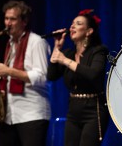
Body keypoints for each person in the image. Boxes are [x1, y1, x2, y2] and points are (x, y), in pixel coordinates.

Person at [0, 0, 51, 146]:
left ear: (24, 21)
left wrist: (8, 71)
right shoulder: (10, 44)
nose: (8, 23)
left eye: (13, 19)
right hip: (9, 115)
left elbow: (42, 77)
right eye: (6, 18)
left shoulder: (36, 42)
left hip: (32, 114)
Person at [46, 9, 110, 146]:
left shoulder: (99, 51)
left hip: (94, 110)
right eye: (72, 24)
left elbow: (93, 74)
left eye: (78, 23)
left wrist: (65, 61)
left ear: (89, 31)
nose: (72, 26)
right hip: (74, 109)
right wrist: (57, 47)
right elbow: (51, 76)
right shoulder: (68, 53)